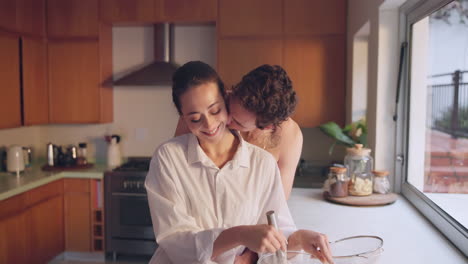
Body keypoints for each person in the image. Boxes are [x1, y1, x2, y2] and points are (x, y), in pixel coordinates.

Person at [146, 61, 333, 264]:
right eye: (194, 118)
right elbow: (175, 240)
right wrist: (239, 235)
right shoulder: (169, 157)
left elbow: (274, 231)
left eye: (216, 111)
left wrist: (299, 239)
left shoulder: (263, 163)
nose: (209, 124)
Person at [175, 64, 302, 200]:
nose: (226, 119)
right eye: (229, 105)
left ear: (266, 127)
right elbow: (177, 165)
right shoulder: (207, 108)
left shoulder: (290, 136)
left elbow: (279, 200)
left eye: (237, 122)